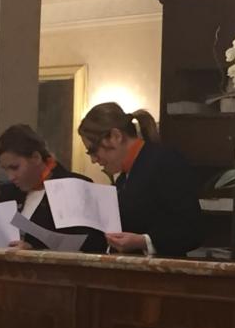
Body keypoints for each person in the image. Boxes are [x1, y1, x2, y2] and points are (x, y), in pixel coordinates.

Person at [77, 102, 202, 257]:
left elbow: (192, 229)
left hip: (163, 270)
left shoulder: (165, 161)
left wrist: (144, 241)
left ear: (116, 136)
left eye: (94, 150)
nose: (93, 160)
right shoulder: (123, 178)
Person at [0, 124, 104, 253]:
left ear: (36, 158)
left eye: (15, 167)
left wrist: (36, 250)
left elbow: (95, 245)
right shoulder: (9, 192)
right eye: (5, 169)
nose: (10, 177)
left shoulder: (75, 185)